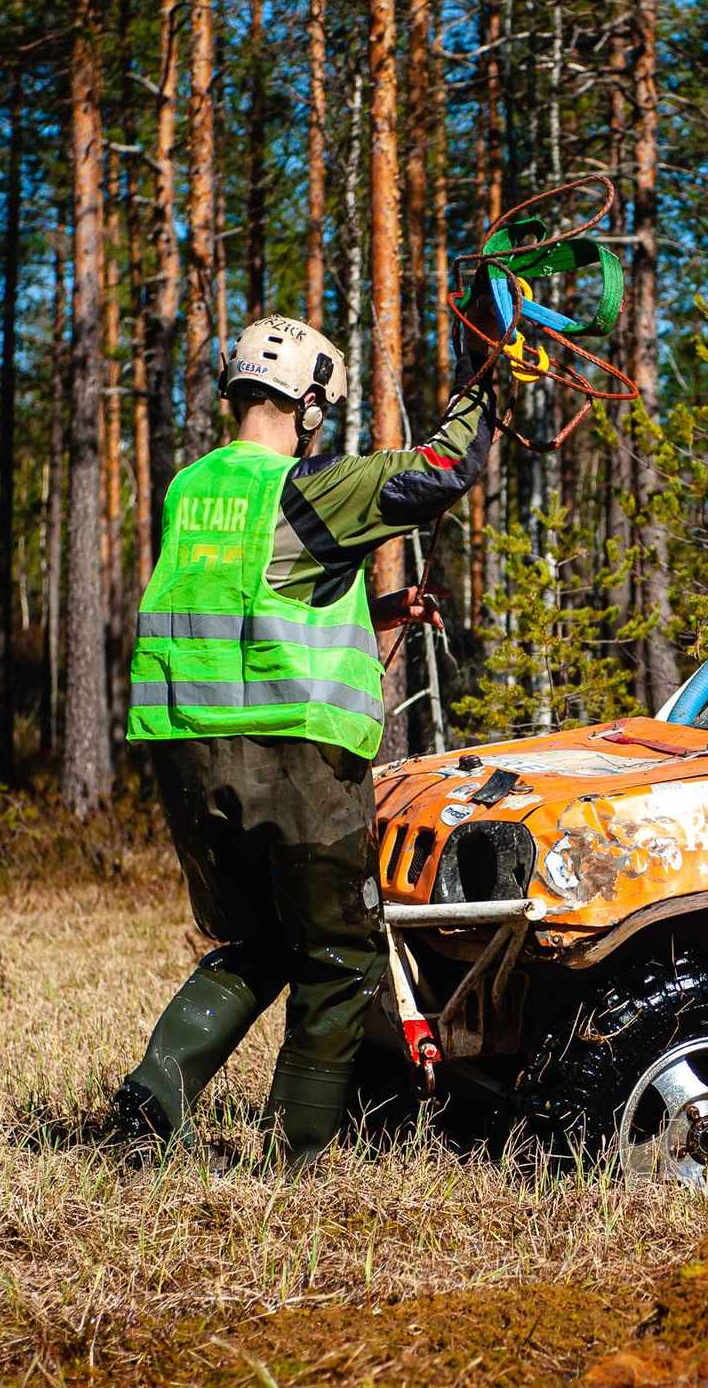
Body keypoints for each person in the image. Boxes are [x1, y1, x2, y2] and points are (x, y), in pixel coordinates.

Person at [115, 312, 488, 1165]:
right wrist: (483, 386)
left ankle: (151, 1100)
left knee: (259, 943)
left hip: (186, 756)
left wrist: (379, 609)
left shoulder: (190, 488)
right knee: (339, 951)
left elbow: (253, 601)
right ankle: (295, 1155)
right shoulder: (308, 487)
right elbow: (441, 469)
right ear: (311, 401)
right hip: (297, 758)